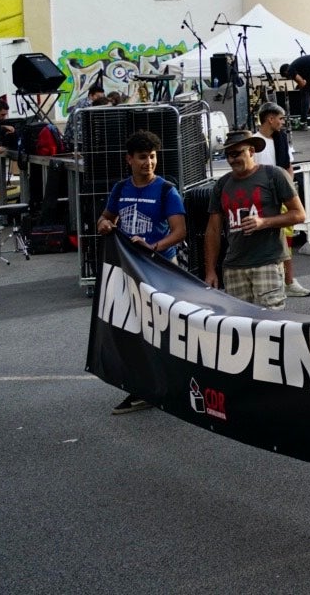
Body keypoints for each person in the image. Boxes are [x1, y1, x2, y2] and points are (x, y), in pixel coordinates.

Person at [100, 129, 188, 415]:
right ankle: (142, 389)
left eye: (152, 157)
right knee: (132, 331)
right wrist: (103, 223)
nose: (148, 163)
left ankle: (174, 385)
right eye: (142, 158)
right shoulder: (120, 189)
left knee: (164, 330)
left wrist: (153, 246)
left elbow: (180, 232)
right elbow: (106, 218)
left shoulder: (166, 190)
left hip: (160, 269)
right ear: (129, 160)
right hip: (129, 270)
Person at [203, 129, 306, 309]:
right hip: (234, 266)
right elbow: (212, 230)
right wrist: (210, 270)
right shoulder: (222, 184)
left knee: (270, 326)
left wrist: (264, 222)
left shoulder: (274, 175)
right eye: (228, 155)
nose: (232, 159)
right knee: (240, 326)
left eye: (237, 153)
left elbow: (299, 214)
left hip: (267, 262)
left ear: (251, 151)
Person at [253, 102, 309, 297]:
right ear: (270, 119)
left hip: (282, 197)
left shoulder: (281, 139)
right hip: (263, 199)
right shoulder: (253, 142)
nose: (283, 122)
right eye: (281, 118)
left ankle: (288, 281)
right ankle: (273, 282)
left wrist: (288, 191)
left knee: (286, 240)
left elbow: (288, 167)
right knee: (266, 241)